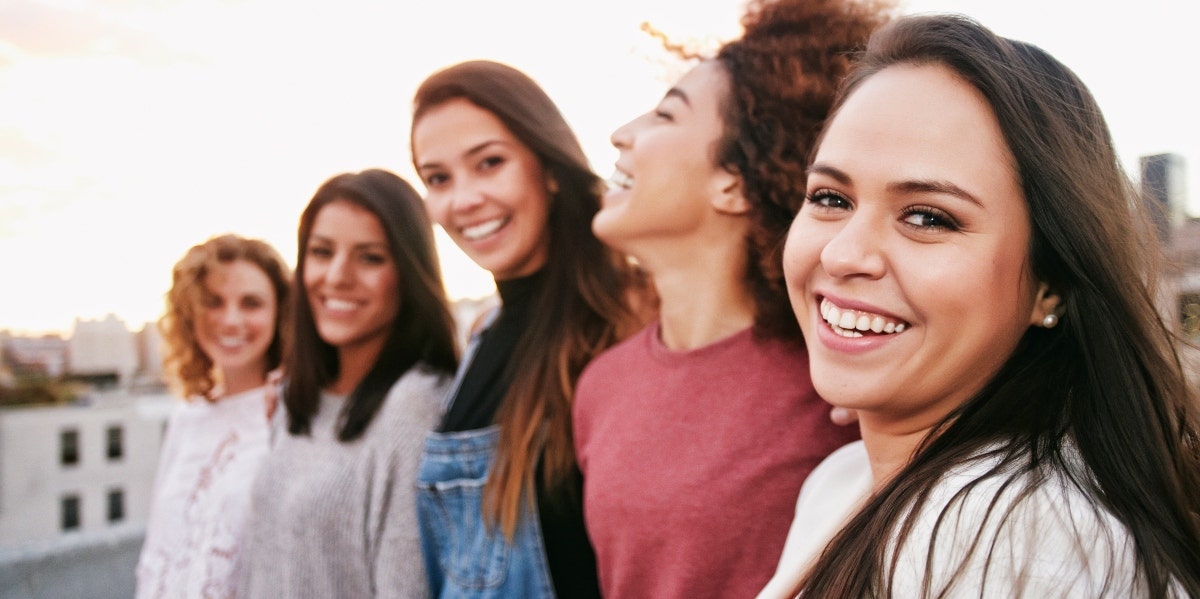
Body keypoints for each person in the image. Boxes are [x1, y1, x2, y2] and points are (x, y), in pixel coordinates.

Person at [759, 13, 1200, 598]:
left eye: (928, 217)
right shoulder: (842, 481)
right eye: (830, 197)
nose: (843, 254)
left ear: (1050, 286)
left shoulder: (1019, 543)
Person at [569, 0, 889, 597]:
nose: (622, 134)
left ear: (734, 183)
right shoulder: (600, 387)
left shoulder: (836, 389)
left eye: (665, 116)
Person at [409, 60, 652, 598]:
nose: (464, 199)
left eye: (489, 163)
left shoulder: (635, 314)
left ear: (546, 165)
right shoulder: (481, 335)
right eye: (438, 178)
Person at [238, 169, 458, 598]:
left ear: (409, 272)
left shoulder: (414, 406)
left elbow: (405, 586)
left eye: (370, 257)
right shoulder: (293, 398)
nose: (338, 276)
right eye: (322, 252)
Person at [136, 233, 290, 599]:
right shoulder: (187, 416)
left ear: (280, 314)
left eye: (251, 303)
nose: (230, 319)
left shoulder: (291, 418)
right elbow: (156, 552)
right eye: (213, 302)